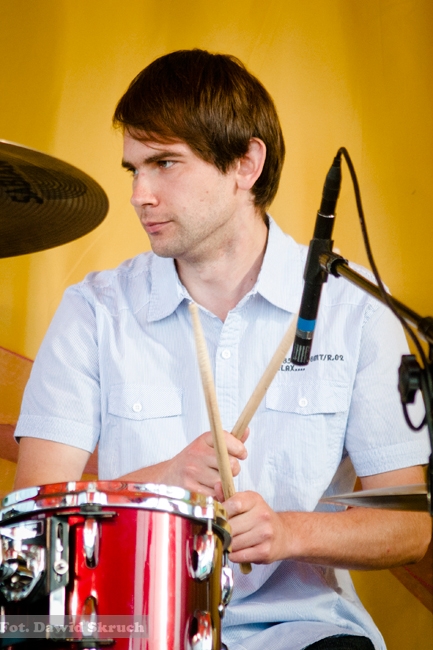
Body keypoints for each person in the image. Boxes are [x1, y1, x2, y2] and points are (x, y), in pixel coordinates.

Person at [13, 50, 431, 650]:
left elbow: (409, 529)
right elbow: (34, 517)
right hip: (133, 625)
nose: (139, 194)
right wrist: (161, 484)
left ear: (245, 164)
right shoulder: (95, 310)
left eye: (164, 163)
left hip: (299, 631)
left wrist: (287, 532)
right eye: (133, 169)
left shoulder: (354, 309)